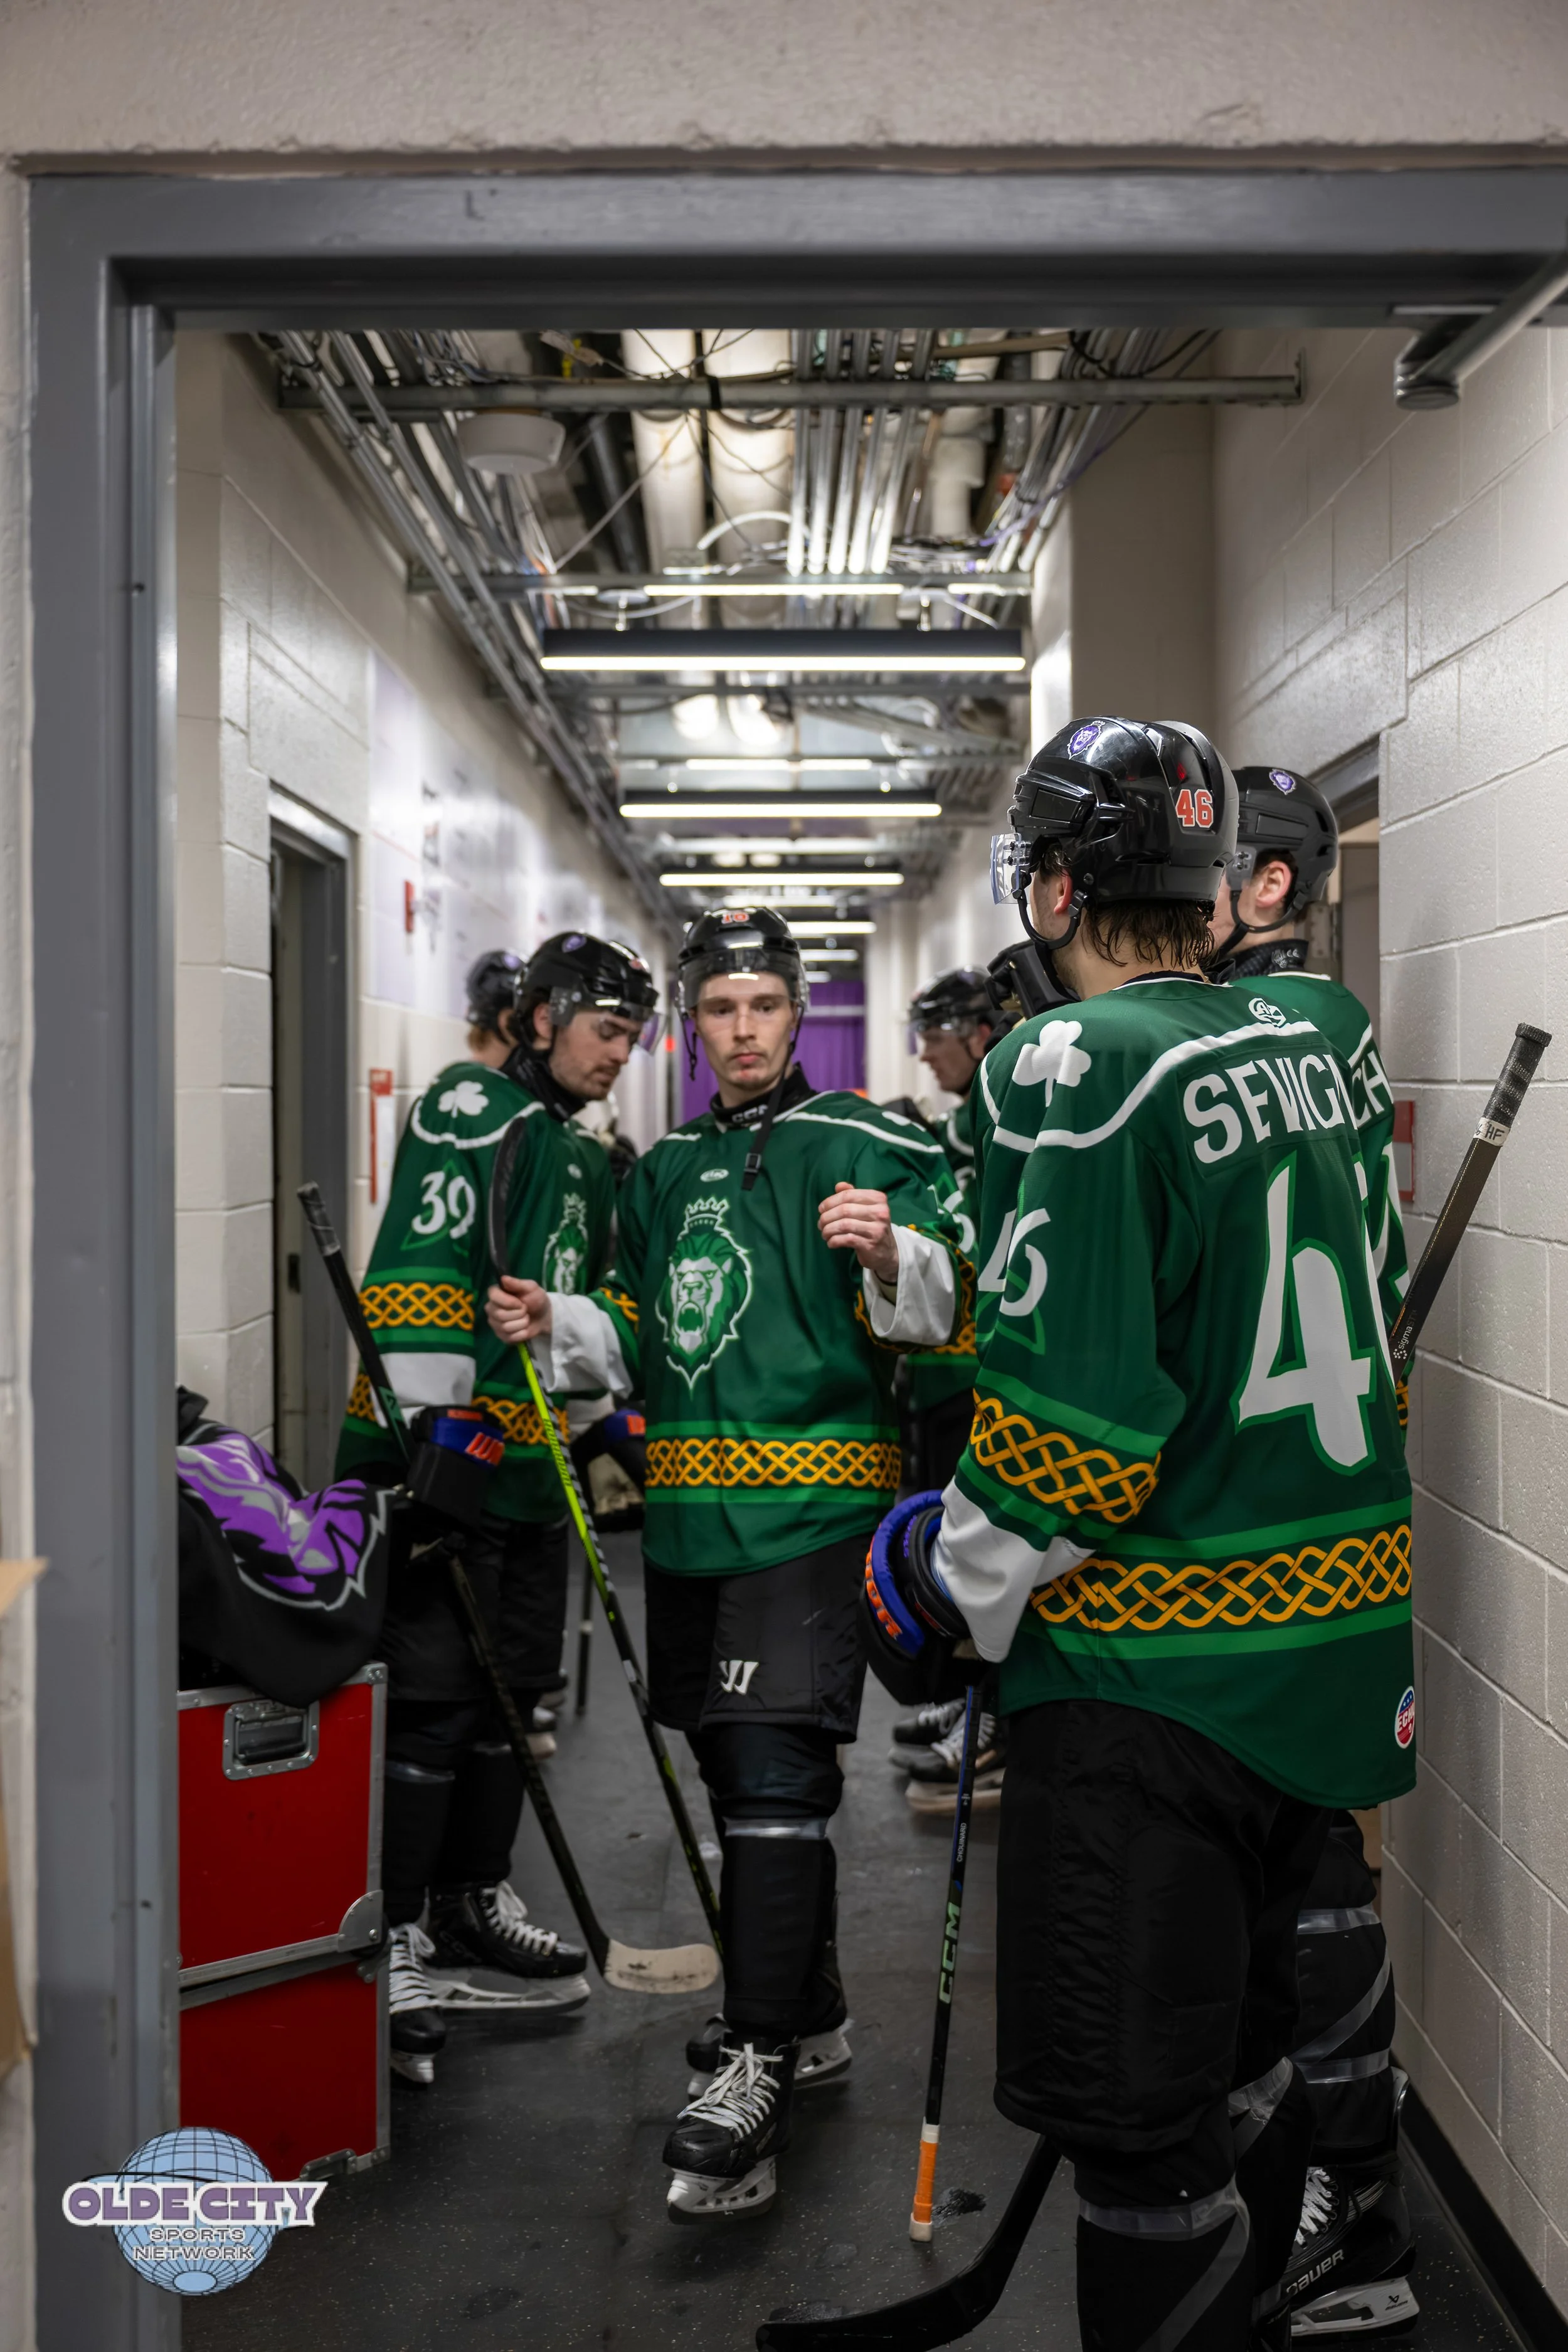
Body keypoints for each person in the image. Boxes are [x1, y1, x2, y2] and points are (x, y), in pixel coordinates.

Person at [874, 717, 1414, 2350]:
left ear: (1048, 882)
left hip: (1148, 1688)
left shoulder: (1077, 1061)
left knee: (1139, 2129)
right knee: (1242, 2065)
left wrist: (943, 1582)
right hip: (1317, 1680)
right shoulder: (1318, 1034)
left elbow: (1069, 1440)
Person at [485, 905, 964, 2220]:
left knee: (769, 1778)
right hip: (688, 1533)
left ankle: (750, 2056)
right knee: (725, 1763)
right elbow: (641, 1320)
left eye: (762, 1006)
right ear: (692, 1027)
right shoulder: (666, 1167)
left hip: (810, 1527)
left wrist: (891, 1253)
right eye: (716, 1011)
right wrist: (561, 1317)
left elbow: (947, 1302)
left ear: (794, 1011)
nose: (740, 1031)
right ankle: (801, 2017)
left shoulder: (867, 1140)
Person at [337, 931, 660, 2082]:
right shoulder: (471, 1109)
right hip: (451, 1464)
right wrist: (428, 1459)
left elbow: (577, 1304)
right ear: (539, 1019)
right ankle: (401, 1932)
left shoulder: (577, 1150)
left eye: (632, 1033)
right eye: (605, 1028)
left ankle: (471, 1898)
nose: (622, 1053)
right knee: (429, 1700)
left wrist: (591, 1403)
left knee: (508, 1694)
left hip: (533, 1468)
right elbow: (417, 1277)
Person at [1210, 768, 1416, 2335]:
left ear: (1267, 890)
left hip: (1279, 1534)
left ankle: (1354, 2209)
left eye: (1198, 868)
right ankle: (1327, 2186)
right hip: (1298, 1528)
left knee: (1309, 1868)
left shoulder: (1275, 1033)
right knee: (1293, 1861)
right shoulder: (1313, 1037)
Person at [889, 969, 1004, 1806]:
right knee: (949, 1545)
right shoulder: (967, 1118)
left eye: (936, 1032)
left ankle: (994, 1720)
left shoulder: (1004, 1111)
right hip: (940, 1371)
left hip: (983, 1370)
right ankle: (969, 1698)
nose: (925, 1052)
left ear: (978, 1031)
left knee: (990, 1547)